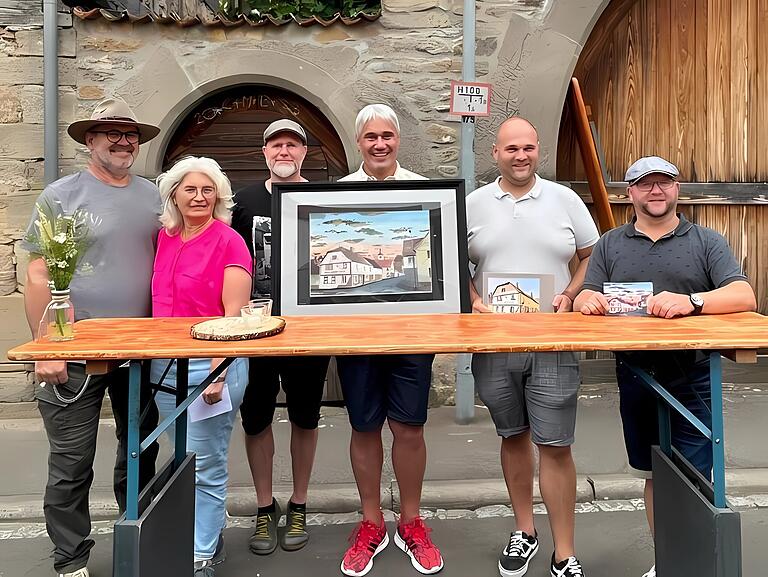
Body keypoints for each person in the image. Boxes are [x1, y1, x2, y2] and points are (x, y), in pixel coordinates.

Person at [573, 156, 756, 577]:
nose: (656, 191)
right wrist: (588, 302)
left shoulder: (707, 241)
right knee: (656, 472)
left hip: (693, 375)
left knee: (693, 476)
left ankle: (695, 563)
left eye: (664, 183)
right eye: (645, 184)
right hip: (635, 375)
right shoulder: (610, 244)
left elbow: (744, 295)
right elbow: (586, 294)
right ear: (630, 193)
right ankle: (668, 561)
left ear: (677, 190)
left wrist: (691, 302)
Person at [22, 97, 161, 577]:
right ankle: (71, 560)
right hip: (74, 351)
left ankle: (137, 538)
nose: (125, 142)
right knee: (71, 463)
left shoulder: (154, 197)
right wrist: (47, 348)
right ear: (89, 140)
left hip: (140, 350)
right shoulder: (61, 196)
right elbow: (38, 273)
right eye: (113, 134)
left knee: (141, 451)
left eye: (132, 134)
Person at [466, 117, 598, 577]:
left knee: (556, 444)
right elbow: (445, 261)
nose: (520, 156)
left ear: (537, 149)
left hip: (552, 340)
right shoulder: (474, 204)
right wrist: (474, 300)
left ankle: (565, 552)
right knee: (513, 436)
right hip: (494, 342)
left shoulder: (564, 199)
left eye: (527, 148)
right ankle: (525, 530)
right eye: (510, 149)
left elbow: (591, 256)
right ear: (495, 154)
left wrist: (570, 295)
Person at [336, 104, 443, 577]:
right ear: (359, 143)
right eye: (370, 137)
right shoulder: (335, 195)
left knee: (409, 428)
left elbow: (440, 261)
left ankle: (412, 521)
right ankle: (370, 521)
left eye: (387, 136)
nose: (379, 144)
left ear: (398, 140)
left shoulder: (426, 191)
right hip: (355, 333)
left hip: (412, 330)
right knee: (363, 427)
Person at [231, 119, 331, 554]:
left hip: (308, 328)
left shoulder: (323, 195)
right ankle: (263, 505)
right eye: (276, 145)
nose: (284, 152)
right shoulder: (242, 200)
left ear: (304, 153)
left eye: (292, 144)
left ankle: (300, 503)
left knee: (306, 416)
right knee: (256, 417)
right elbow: (227, 257)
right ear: (265, 152)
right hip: (254, 329)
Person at [151, 156, 253, 577]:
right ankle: (200, 532)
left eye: (207, 189)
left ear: (219, 197)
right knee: (181, 458)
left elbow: (235, 314)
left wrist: (219, 370)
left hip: (207, 367)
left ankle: (202, 553)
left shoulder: (229, 240)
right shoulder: (165, 238)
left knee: (206, 461)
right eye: (190, 189)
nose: (199, 197)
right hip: (163, 366)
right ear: (174, 194)